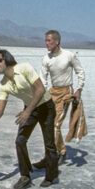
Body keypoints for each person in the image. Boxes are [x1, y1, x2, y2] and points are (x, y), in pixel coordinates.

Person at [0, 49, 59, 189]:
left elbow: (40, 90)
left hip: (46, 107)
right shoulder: (3, 84)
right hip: (29, 109)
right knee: (20, 141)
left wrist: (27, 111)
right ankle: (25, 176)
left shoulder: (24, 68)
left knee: (49, 143)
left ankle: (51, 175)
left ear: (7, 59)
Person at [35, 30, 85, 165]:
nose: (46, 43)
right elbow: (43, 79)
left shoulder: (69, 55)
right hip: (53, 92)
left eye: (49, 41)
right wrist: (40, 95)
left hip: (66, 93)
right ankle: (51, 155)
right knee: (47, 124)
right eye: (45, 41)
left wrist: (79, 89)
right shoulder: (46, 58)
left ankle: (61, 152)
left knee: (55, 124)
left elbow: (80, 71)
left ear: (57, 41)